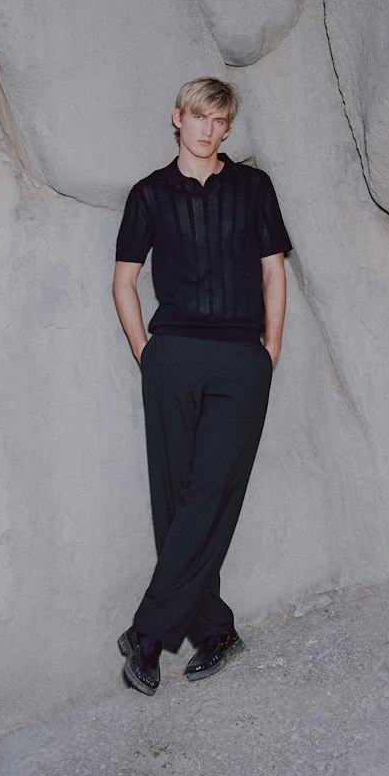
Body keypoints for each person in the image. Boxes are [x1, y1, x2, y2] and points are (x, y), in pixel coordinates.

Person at [112, 77, 291, 695]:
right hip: (173, 357)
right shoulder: (149, 194)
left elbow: (274, 274)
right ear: (178, 119)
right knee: (176, 496)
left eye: (219, 121)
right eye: (198, 117)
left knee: (215, 490)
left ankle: (149, 635)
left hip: (242, 357)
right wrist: (146, 354)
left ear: (227, 128)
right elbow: (124, 283)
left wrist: (269, 351)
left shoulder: (254, 188)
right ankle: (215, 629)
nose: (208, 130)